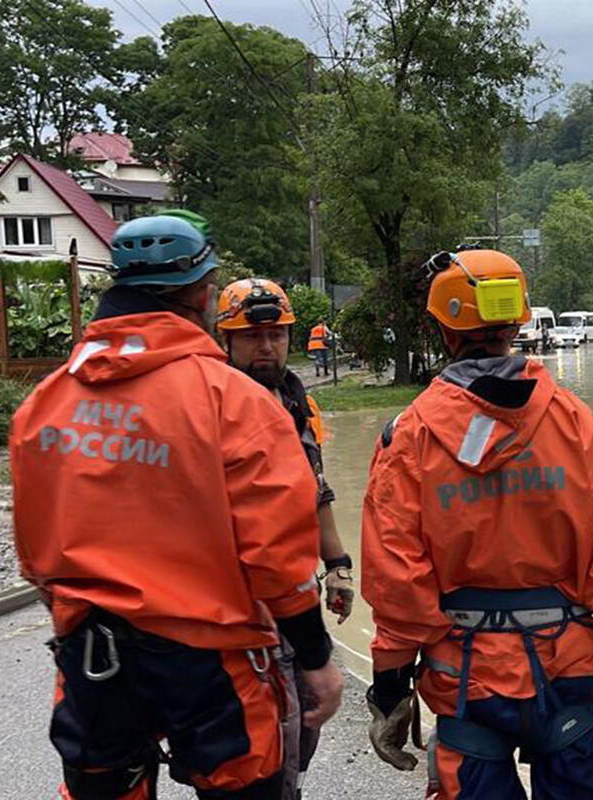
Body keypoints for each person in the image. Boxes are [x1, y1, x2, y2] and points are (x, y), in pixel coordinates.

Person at [10, 214, 343, 799]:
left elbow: (36, 552)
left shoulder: (46, 402)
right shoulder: (233, 401)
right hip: (211, 663)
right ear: (202, 293)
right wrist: (315, 656)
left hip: (95, 656)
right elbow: (277, 556)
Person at [361, 248, 593, 798]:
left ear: (442, 330)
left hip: (466, 685)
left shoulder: (407, 438)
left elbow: (398, 585)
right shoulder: (572, 421)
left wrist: (390, 689)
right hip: (568, 675)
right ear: (517, 322)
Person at [216, 277, 355, 799]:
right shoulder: (213, 407)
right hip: (236, 612)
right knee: (256, 755)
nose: (267, 346)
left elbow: (314, 491)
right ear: (225, 340)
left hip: (293, 602)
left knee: (302, 733)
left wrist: (338, 563)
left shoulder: (297, 403)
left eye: (277, 334)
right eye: (253, 337)